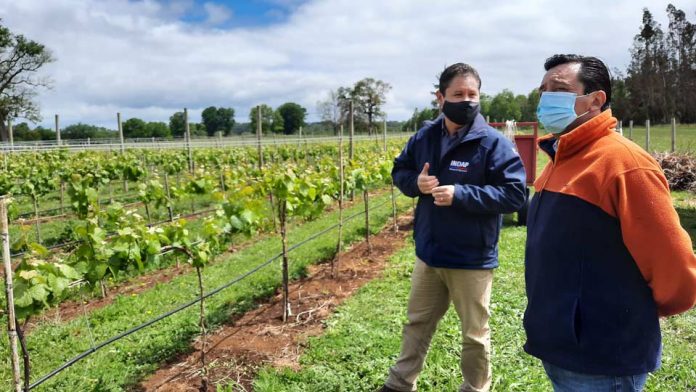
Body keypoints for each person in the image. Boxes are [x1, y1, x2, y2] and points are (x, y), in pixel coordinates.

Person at [524, 54, 696, 391]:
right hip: (560, 346)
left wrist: (633, 314)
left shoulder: (625, 165)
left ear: (595, 100)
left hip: (604, 355)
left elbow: (673, 263)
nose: (545, 99)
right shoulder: (558, 160)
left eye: (557, 89)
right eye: (542, 91)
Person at [379, 63, 527, 392]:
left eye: (473, 94)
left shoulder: (493, 143)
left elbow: (515, 194)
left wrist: (462, 194)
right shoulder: (425, 137)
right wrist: (415, 183)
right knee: (417, 324)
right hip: (430, 253)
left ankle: (475, 388)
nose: (467, 100)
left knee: (475, 335)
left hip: (471, 257)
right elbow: (399, 171)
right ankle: (400, 383)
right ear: (440, 98)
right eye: (458, 94)